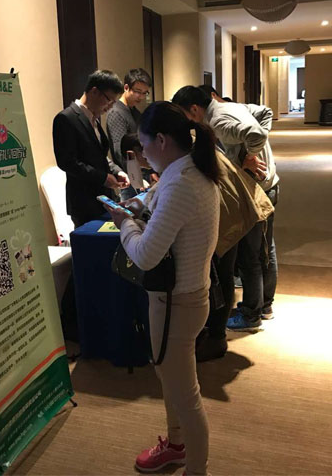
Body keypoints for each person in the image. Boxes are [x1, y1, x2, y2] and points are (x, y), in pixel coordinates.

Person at [105, 101, 220, 476]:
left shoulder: (181, 184)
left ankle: (195, 468)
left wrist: (124, 223)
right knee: (170, 377)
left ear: (162, 141)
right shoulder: (185, 172)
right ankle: (175, 444)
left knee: (185, 394)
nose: (141, 154)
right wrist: (136, 206)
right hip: (183, 298)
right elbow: (154, 201)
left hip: (177, 303)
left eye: (143, 145)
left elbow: (144, 255)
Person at [173, 89, 274, 361]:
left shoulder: (216, 123)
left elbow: (257, 134)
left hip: (241, 205)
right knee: (246, 262)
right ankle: (260, 308)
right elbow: (265, 113)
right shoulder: (217, 122)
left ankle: (245, 317)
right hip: (245, 198)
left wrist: (250, 155)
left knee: (240, 266)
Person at [52, 69, 130, 228]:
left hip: (104, 199)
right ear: (94, 91)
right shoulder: (66, 118)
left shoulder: (94, 119)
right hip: (84, 202)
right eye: (109, 100)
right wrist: (103, 178)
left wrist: (116, 171)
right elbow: (67, 162)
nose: (110, 107)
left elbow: (99, 156)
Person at [107, 67, 152, 164]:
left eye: (144, 93)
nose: (141, 97)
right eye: (138, 91)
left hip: (141, 168)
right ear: (126, 87)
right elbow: (120, 152)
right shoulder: (116, 112)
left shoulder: (135, 111)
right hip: (130, 170)